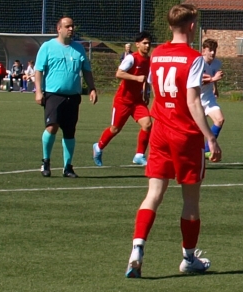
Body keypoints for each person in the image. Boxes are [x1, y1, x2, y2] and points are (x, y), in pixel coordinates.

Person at [126, 2, 220, 277]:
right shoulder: (193, 58)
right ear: (192, 26)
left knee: (153, 194)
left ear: (170, 26)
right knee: (190, 199)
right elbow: (192, 102)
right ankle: (189, 258)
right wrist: (210, 137)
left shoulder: (156, 54)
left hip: (159, 132)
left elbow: (155, 90)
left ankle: (137, 248)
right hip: (184, 134)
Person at [33, 16, 96, 177]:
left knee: (69, 131)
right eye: (67, 26)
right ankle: (45, 162)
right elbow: (38, 70)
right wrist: (38, 91)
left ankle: (67, 167)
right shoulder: (48, 47)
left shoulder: (79, 48)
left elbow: (86, 70)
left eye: (72, 26)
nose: (71, 29)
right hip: (53, 94)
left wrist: (92, 88)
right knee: (52, 126)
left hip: (73, 96)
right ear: (59, 28)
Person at [93, 34, 153, 168]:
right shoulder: (131, 58)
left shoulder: (149, 61)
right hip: (123, 101)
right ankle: (99, 146)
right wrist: (136, 78)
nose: (147, 46)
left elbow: (146, 79)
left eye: (149, 43)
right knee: (115, 129)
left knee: (147, 124)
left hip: (137, 101)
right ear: (137, 44)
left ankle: (139, 155)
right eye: (144, 43)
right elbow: (119, 73)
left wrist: (146, 92)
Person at [197, 37, 226, 144]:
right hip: (196, 100)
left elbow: (213, 76)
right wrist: (213, 79)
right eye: (210, 50)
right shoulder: (198, 63)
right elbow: (196, 82)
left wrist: (215, 88)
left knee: (219, 120)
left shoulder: (216, 63)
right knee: (195, 130)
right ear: (204, 50)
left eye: (214, 50)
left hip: (209, 98)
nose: (213, 53)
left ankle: (207, 149)